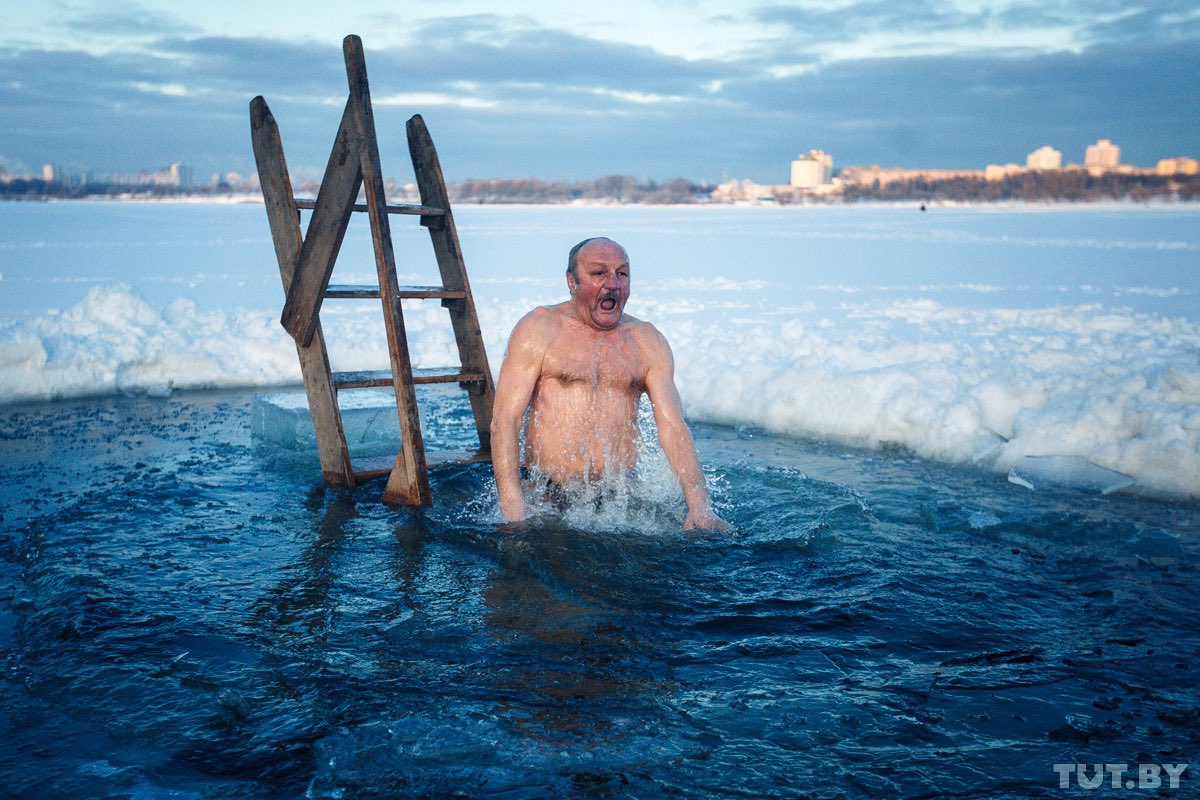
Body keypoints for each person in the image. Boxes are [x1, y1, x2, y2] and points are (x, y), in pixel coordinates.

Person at [490, 236, 730, 531]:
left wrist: (699, 506)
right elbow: (505, 419)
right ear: (571, 281)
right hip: (545, 495)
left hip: (617, 498)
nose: (613, 284)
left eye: (622, 273)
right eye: (599, 273)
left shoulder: (646, 341)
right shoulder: (540, 330)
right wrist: (513, 508)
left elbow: (673, 425)